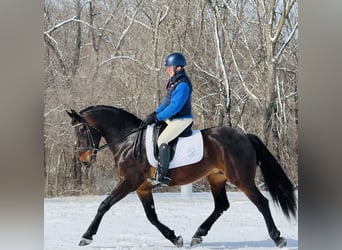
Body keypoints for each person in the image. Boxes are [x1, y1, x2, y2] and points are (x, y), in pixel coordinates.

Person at [145, 52, 193, 186]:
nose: (167, 69)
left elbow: (174, 107)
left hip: (181, 119)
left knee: (162, 139)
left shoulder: (183, 85)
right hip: (172, 118)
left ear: (178, 67)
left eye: (169, 67)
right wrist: (155, 113)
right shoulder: (173, 82)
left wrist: (158, 117)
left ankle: (162, 175)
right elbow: (166, 103)